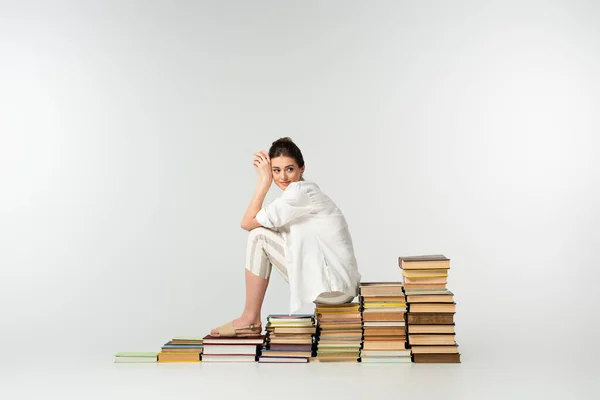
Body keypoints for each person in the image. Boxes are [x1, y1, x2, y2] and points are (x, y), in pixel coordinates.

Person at [210, 137, 361, 337]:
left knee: (258, 236)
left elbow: (247, 223)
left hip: (334, 289)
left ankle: (250, 318)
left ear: (302, 169)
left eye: (289, 169)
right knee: (263, 233)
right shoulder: (299, 195)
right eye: (276, 170)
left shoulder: (298, 194)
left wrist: (263, 182)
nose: (283, 177)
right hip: (340, 287)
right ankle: (250, 318)